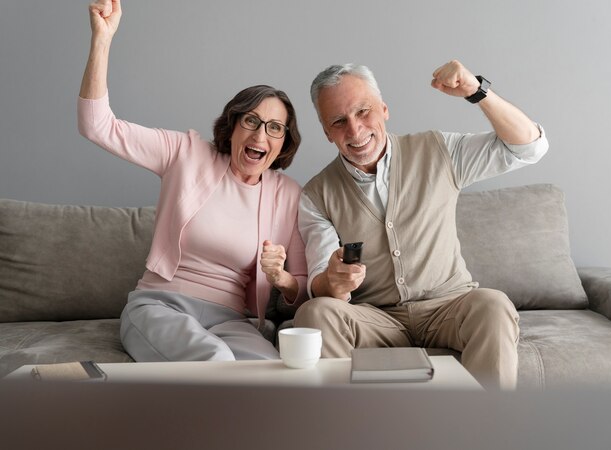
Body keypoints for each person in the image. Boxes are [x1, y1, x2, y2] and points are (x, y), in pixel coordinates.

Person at [294, 61, 549, 389]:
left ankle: (487, 431)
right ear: (327, 132)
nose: (355, 131)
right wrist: (333, 282)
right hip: (376, 319)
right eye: (339, 121)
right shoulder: (316, 194)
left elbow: (530, 147)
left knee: (493, 304)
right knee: (315, 314)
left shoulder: (439, 150)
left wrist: (477, 91)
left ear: (384, 109)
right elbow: (320, 285)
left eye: (363, 111)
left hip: (450, 307)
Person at [78, 0, 308, 362]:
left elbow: (304, 288)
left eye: (275, 128)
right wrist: (102, 39)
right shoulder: (184, 153)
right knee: (214, 361)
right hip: (159, 307)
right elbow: (97, 125)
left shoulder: (288, 195)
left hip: (232, 321)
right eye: (250, 120)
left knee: (273, 375)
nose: (260, 135)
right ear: (232, 126)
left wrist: (281, 278)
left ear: (282, 144)